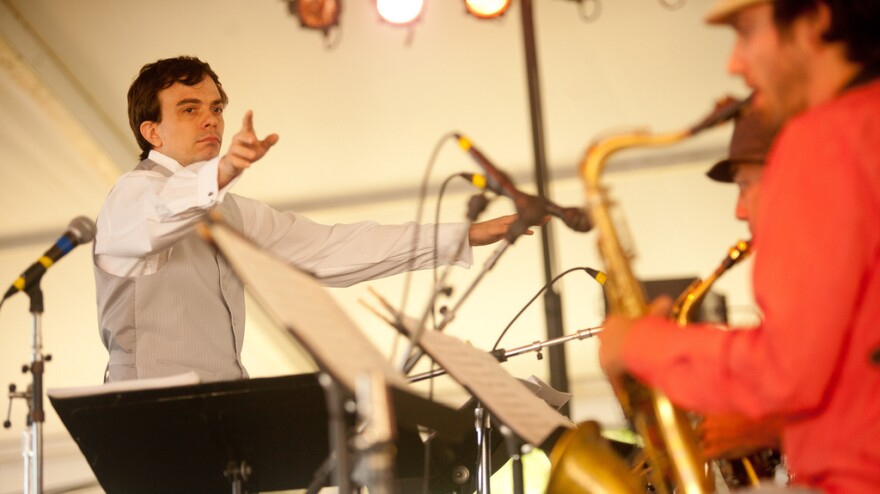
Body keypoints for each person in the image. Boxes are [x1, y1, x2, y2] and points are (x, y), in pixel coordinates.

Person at [94, 56, 536, 384]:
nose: (211, 118)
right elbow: (159, 217)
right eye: (190, 109)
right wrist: (226, 169)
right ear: (152, 132)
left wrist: (466, 234)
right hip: (145, 415)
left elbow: (332, 249)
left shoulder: (233, 212)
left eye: (215, 108)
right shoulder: (131, 195)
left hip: (222, 413)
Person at [598, 1, 880, 492]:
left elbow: (785, 371)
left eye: (747, 32)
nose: (734, 63)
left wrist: (637, 343)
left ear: (814, 21)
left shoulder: (823, 139)